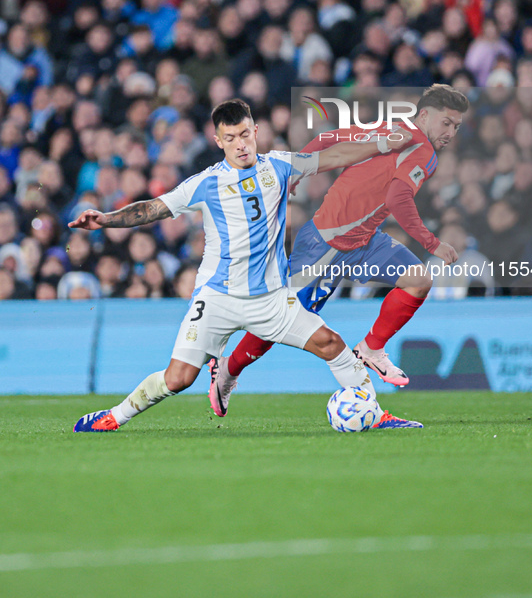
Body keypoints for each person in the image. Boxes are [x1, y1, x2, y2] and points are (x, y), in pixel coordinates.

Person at [71, 99, 423, 432]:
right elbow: (151, 208)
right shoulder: (206, 183)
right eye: (230, 138)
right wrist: (105, 220)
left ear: (255, 132)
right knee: (178, 378)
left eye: (244, 135)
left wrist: (381, 144)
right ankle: (113, 417)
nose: (240, 144)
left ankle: (374, 414)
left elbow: (334, 156)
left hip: (271, 300)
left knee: (331, 344)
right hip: (217, 298)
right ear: (218, 141)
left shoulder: (279, 165)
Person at [209, 85, 468, 416]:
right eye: (446, 123)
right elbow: (397, 199)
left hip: (363, 239)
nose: (450, 132)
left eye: (456, 126)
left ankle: (371, 348)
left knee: (418, 279)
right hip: (326, 244)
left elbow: (328, 139)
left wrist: (300, 168)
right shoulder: (422, 152)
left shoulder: (388, 129)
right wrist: (433, 242)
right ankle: (227, 371)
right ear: (425, 115)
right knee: (279, 320)